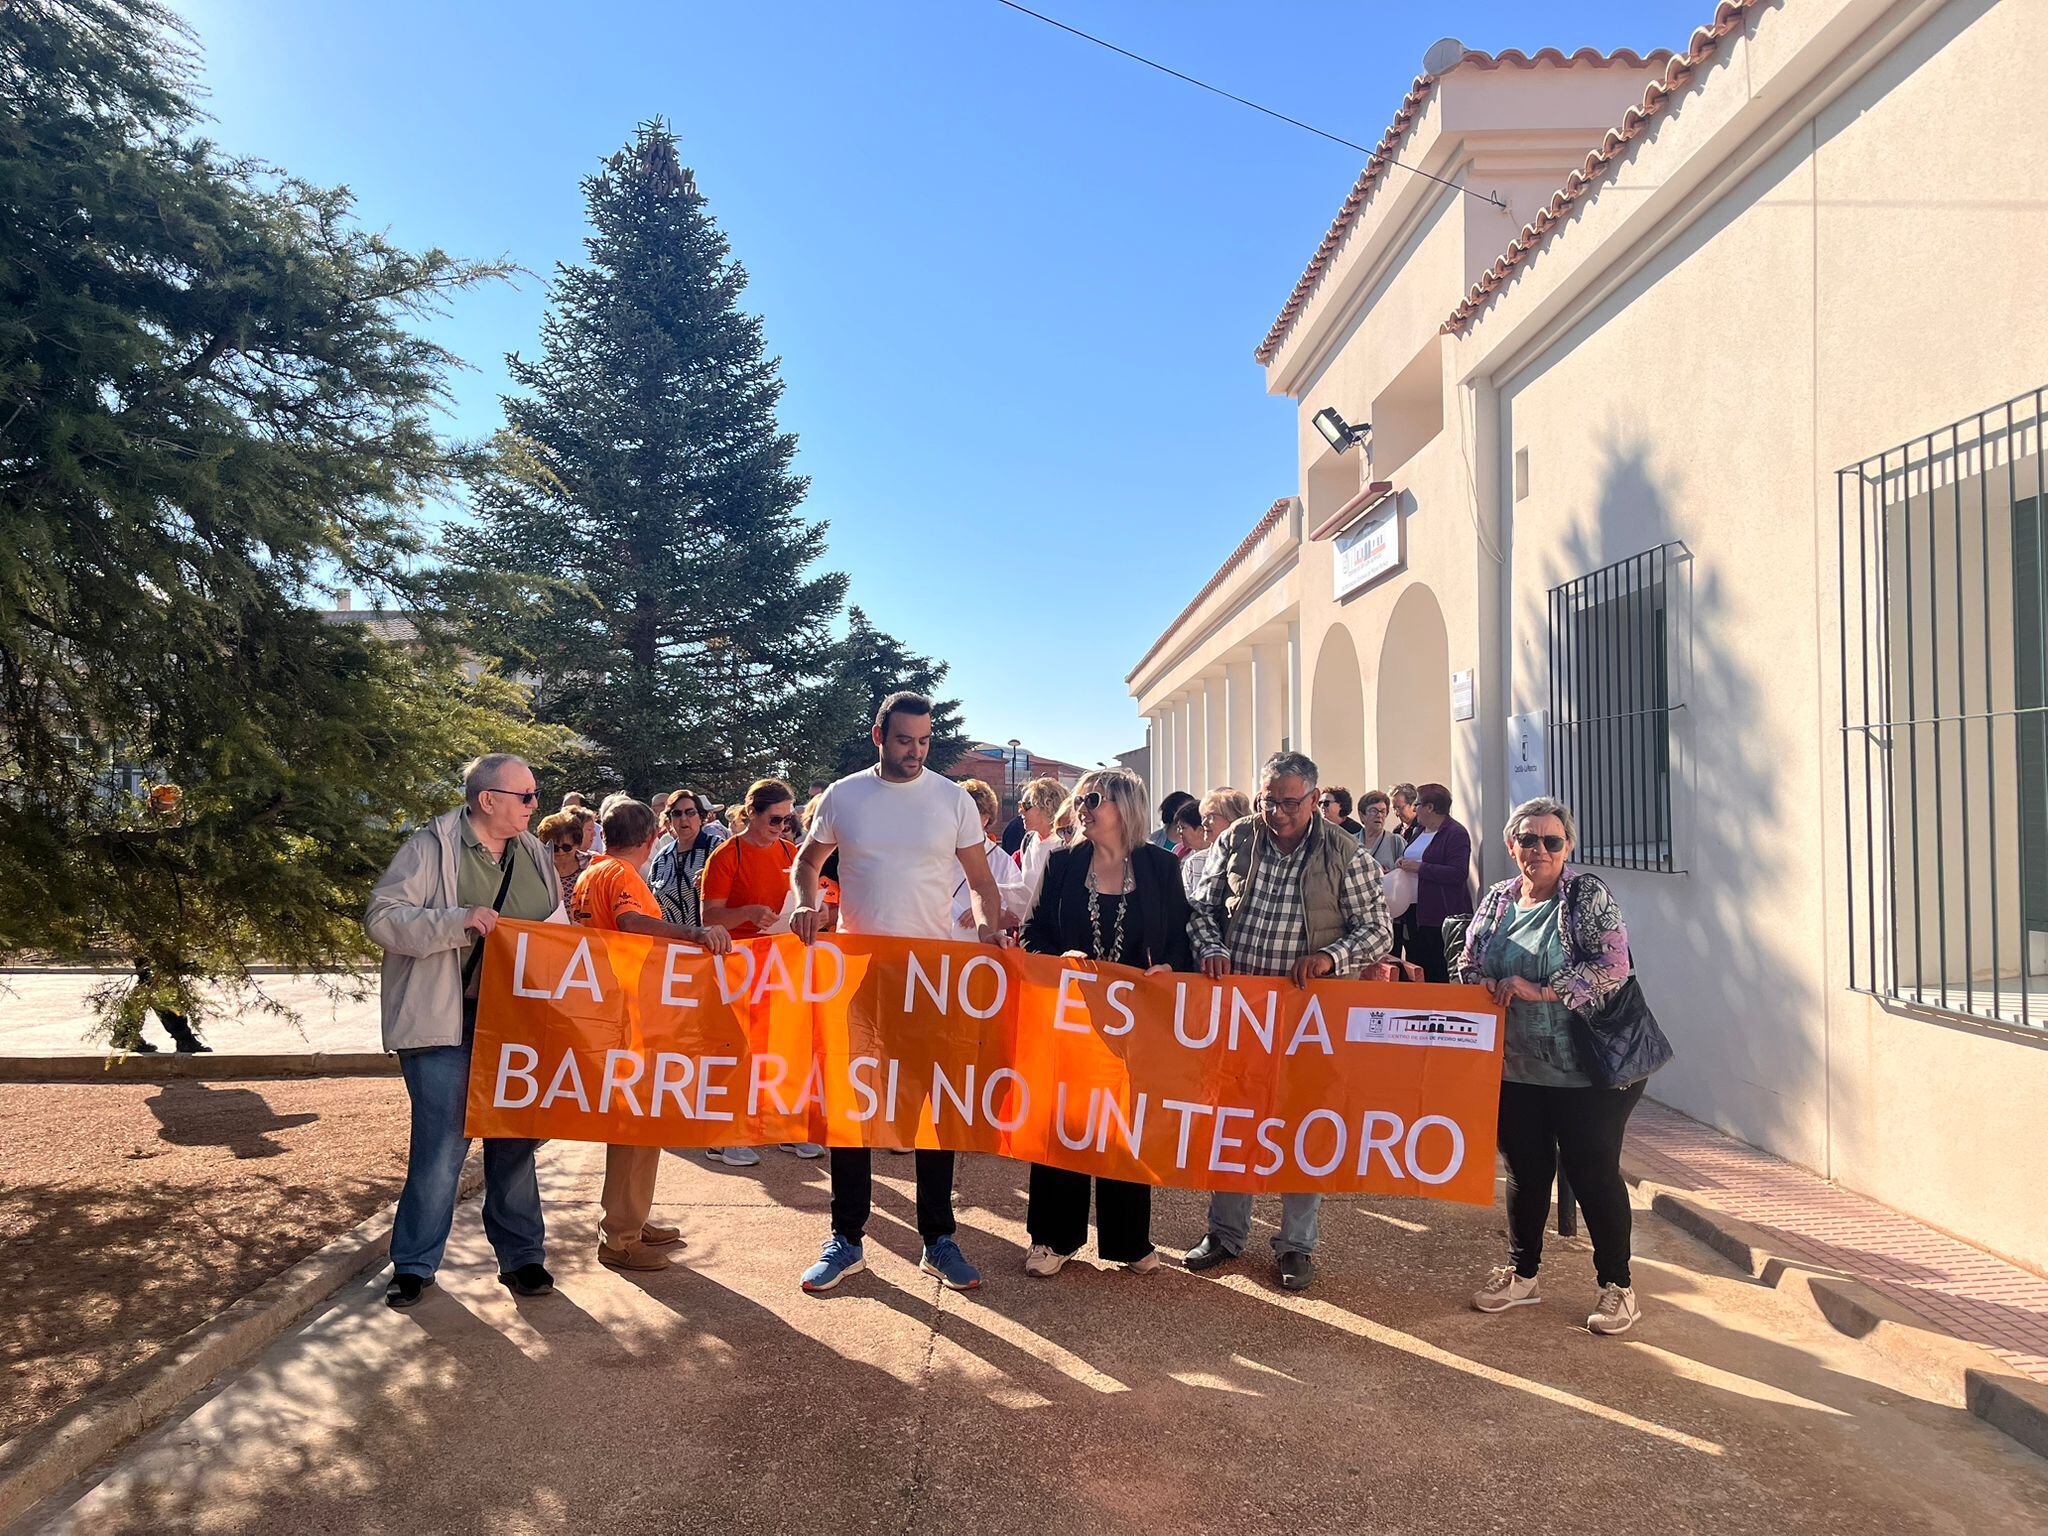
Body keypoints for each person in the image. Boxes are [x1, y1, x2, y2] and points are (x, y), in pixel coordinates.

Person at [788, 690, 1010, 1294]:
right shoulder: (843, 795)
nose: (916, 751)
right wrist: (811, 905)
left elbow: (983, 881)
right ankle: (846, 1239)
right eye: (905, 739)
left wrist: (991, 926)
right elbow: (808, 862)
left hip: (933, 977)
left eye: (925, 740)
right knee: (854, 1108)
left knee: (933, 1108)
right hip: (862, 975)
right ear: (878, 736)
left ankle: (938, 1238)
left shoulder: (953, 799)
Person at [1184, 750, 1391, 1292]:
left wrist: (1329, 959)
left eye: (1290, 803)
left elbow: (1376, 931)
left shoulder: (1346, 853)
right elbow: (1203, 909)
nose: (1277, 812)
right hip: (1243, 1013)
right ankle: (1225, 1234)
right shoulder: (1237, 840)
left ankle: (1296, 1246)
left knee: (1304, 1126)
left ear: (1315, 800)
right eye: (1268, 801)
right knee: (1235, 1120)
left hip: (1308, 1017)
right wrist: (1209, 947)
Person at [366, 754, 562, 1309]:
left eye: (534, 794)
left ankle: (523, 1257)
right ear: (488, 800)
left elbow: (556, 930)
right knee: (440, 1149)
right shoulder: (431, 847)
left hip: (517, 1026)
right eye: (524, 796)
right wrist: (456, 923)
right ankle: (413, 1265)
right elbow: (382, 918)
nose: (533, 805)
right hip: (445, 1025)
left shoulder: (533, 853)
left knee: (516, 1143)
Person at [1459, 797, 1647, 1335]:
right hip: (1516, 1065)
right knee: (1526, 1172)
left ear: (1568, 847)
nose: (1537, 850)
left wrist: (1541, 992)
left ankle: (1618, 1287)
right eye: (1527, 839)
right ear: (1509, 844)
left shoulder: (1585, 895)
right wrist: (1484, 982)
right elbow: (1469, 959)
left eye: (1551, 841)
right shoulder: (1497, 898)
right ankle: (1522, 1275)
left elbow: (1614, 964)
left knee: (1593, 1173)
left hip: (1586, 1067)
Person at [1020, 768, 1192, 1277]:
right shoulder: (1062, 863)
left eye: (1094, 798)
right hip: (1072, 1016)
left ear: (1126, 807)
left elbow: (1181, 938)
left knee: (1126, 1122)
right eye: (1080, 799)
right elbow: (1031, 933)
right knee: (1065, 1121)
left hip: (1138, 1021)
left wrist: (1170, 967)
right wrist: (1060, 956)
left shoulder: (1160, 867)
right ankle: (1052, 1238)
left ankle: (1128, 1241)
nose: (1082, 807)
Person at [568, 798, 733, 1272]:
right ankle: (620, 1236)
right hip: (626, 1013)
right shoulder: (620, 876)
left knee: (641, 1123)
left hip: (617, 1008)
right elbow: (629, 923)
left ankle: (631, 1222)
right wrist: (692, 934)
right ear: (649, 839)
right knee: (634, 1125)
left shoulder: (592, 873)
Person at [698, 779, 824, 1164]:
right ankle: (725, 1134)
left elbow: (807, 899)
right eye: (774, 819)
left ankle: (787, 1127)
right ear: (750, 813)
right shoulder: (725, 855)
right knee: (738, 1049)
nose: (783, 827)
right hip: (736, 963)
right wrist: (748, 913)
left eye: (787, 820)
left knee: (787, 1045)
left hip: (782, 960)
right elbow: (709, 916)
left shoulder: (792, 853)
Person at [1396, 782, 1475, 983]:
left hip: (1439, 915)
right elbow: (1413, 858)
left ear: (1430, 807)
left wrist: (1420, 868)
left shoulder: (1455, 833)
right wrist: (1402, 864)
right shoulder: (1419, 831)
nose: (1414, 809)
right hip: (1414, 912)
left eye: (1418, 804)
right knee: (1416, 966)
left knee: (1436, 970)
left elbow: (1458, 873)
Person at [952, 777, 1031, 930]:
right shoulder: (937, 850)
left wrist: (985, 915)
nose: (962, 820)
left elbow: (1015, 916)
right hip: (934, 943)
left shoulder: (1003, 862)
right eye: (959, 813)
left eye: (971, 815)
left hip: (978, 948)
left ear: (986, 819)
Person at [649, 790, 716, 929]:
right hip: (672, 944)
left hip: (710, 943)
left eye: (690, 812)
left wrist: (714, 876)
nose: (683, 818)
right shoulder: (661, 858)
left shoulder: (717, 849)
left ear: (701, 816)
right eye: (677, 813)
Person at [1014, 776, 1068, 916]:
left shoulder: (1067, 843)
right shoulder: (1028, 841)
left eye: (1025, 805)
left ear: (1048, 806)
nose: (1020, 811)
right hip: (1031, 928)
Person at [534, 810, 586, 895]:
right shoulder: (536, 867)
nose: (560, 852)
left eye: (566, 847)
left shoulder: (591, 865)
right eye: (554, 847)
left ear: (577, 844)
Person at [1357, 790, 1407, 873]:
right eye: (1373, 811)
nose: (1379, 815)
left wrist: (1389, 874)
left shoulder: (1396, 841)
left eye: (1383, 811)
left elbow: (1405, 873)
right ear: (1362, 815)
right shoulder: (1351, 842)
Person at [1172, 796, 1210, 898]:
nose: (1179, 832)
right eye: (1178, 828)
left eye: (1183, 827)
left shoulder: (1217, 855)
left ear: (1200, 830)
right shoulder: (1179, 851)